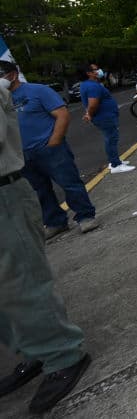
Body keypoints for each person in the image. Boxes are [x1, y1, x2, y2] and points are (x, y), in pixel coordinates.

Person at [0, 80, 93, 414]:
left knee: (22, 283)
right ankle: (34, 351)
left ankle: (63, 354)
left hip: (5, 194)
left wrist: (53, 143)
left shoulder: (30, 91)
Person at [0, 60, 99, 238]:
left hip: (50, 149)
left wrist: (54, 141)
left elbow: (62, 114)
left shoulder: (38, 91)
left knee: (69, 183)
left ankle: (85, 216)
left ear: (12, 75)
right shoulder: (2, 99)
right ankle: (55, 222)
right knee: (39, 191)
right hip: (22, 155)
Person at [77, 63, 135, 174]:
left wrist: (89, 113)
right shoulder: (92, 86)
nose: (98, 71)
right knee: (111, 139)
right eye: (95, 69)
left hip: (104, 116)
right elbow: (93, 104)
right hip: (104, 117)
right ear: (88, 73)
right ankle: (115, 165)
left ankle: (115, 160)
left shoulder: (88, 84)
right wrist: (89, 114)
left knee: (111, 139)